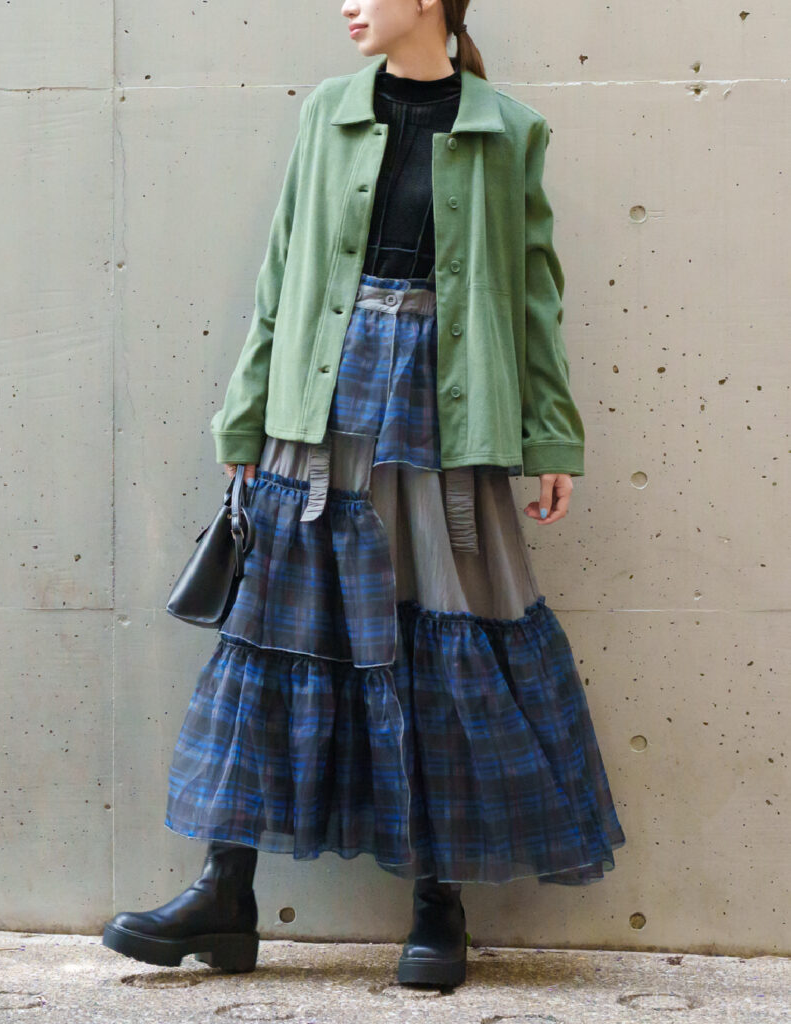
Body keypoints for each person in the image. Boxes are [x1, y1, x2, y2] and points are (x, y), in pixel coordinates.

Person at [102, 0, 626, 990]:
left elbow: (533, 298)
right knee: (274, 632)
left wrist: (552, 435)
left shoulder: (509, 132)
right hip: (320, 398)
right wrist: (246, 418)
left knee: (441, 632)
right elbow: (281, 273)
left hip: (448, 410)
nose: (347, 5)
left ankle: (439, 901)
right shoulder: (327, 113)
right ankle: (224, 893)